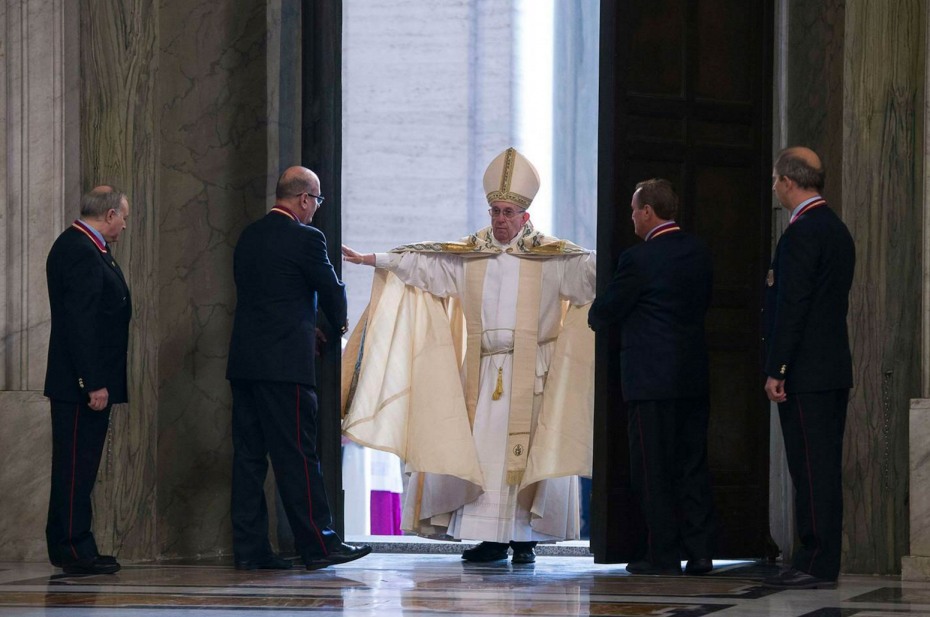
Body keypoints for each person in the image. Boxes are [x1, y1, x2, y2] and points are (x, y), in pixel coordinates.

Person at [342, 147, 597, 564]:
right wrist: (375, 260)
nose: (499, 218)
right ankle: (491, 538)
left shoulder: (552, 258)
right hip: (484, 372)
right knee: (483, 457)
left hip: (533, 373)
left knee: (524, 457)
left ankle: (524, 540)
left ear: (525, 216)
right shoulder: (470, 255)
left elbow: (590, 274)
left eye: (508, 211)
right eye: (495, 210)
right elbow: (425, 267)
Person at [226, 166, 371, 571]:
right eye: (317, 201)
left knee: (249, 458)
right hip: (284, 367)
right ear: (305, 199)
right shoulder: (307, 237)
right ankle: (320, 546)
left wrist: (305, 327)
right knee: (298, 456)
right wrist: (334, 327)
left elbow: (268, 296)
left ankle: (250, 550)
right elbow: (331, 290)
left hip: (245, 363)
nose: (316, 209)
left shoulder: (248, 235)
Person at [588, 179, 718, 576]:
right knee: (692, 466)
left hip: (650, 382)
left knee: (651, 469)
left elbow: (604, 312)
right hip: (692, 377)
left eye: (632, 210)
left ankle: (662, 555)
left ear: (647, 211)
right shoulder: (699, 252)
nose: (630, 217)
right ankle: (700, 553)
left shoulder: (638, 259)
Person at [761, 147, 855, 590]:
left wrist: (778, 367)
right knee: (821, 466)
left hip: (806, 372)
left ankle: (816, 560)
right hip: (832, 368)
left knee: (811, 468)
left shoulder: (802, 233)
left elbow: (793, 305)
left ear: (790, 182)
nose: (775, 187)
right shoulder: (835, 228)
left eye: (777, 180)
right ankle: (817, 557)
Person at [44, 186, 131, 575]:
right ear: (109, 214)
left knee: (80, 466)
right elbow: (80, 323)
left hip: (83, 380)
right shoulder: (79, 249)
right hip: (80, 384)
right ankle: (74, 549)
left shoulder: (88, 246)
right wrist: (92, 382)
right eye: (123, 217)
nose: (125, 225)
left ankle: (75, 544)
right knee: (76, 467)